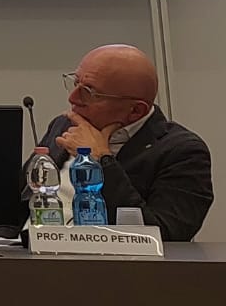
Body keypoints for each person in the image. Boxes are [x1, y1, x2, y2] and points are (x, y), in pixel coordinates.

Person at [29, 44, 213, 241]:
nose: (73, 98)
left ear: (136, 111)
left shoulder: (182, 152)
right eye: (75, 84)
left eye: (89, 92)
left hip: (108, 258)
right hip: (30, 251)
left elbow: (165, 235)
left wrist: (101, 159)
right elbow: (24, 199)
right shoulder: (64, 124)